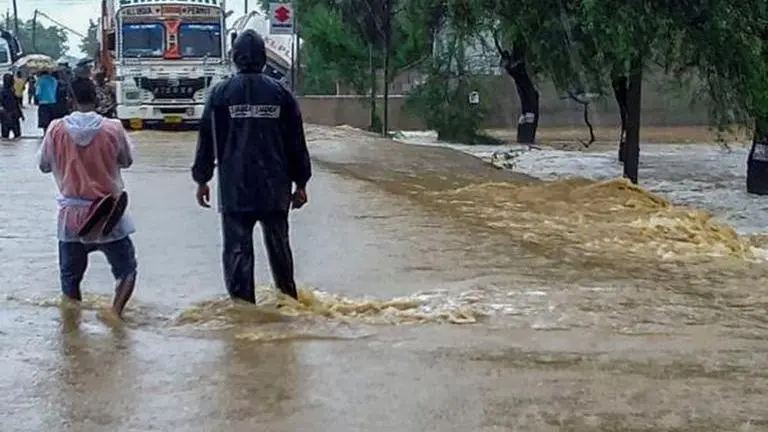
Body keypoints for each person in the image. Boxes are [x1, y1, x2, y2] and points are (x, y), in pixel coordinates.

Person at [191, 29, 311, 303]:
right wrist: (301, 183)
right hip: (275, 188)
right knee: (280, 251)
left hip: (235, 189)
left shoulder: (220, 94)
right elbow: (296, 143)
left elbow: (206, 141)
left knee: (237, 253)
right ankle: (288, 304)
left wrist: (202, 179)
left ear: (234, 57)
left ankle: (244, 315)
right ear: (263, 58)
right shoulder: (282, 94)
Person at [37, 77, 137, 320]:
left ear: (70, 100)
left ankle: (73, 327)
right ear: (95, 98)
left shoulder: (55, 129)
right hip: (108, 214)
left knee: (70, 278)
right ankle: (115, 313)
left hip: (71, 216)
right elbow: (127, 161)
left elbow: (43, 166)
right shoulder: (113, 128)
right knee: (127, 270)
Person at [1, 73, 24, 140]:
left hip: (6, 115)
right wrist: (21, 114)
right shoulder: (11, 90)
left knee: (5, 135)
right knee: (16, 134)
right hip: (13, 114)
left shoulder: (4, 90)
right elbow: (16, 103)